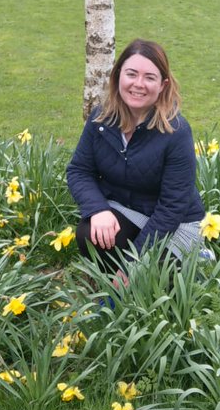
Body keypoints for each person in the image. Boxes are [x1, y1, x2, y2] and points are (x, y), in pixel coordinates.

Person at [66, 39, 206, 275]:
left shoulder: (176, 131)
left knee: (156, 277)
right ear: (118, 75)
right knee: (90, 232)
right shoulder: (101, 119)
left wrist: (133, 263)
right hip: (128, 210)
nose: (138, 84)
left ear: (163, 85)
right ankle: (113, 285)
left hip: (175, 223)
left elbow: (173, 207)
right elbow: (79, 171)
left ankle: (198, 256)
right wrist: (98, 209)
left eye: (149, 78)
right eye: (131, 74)